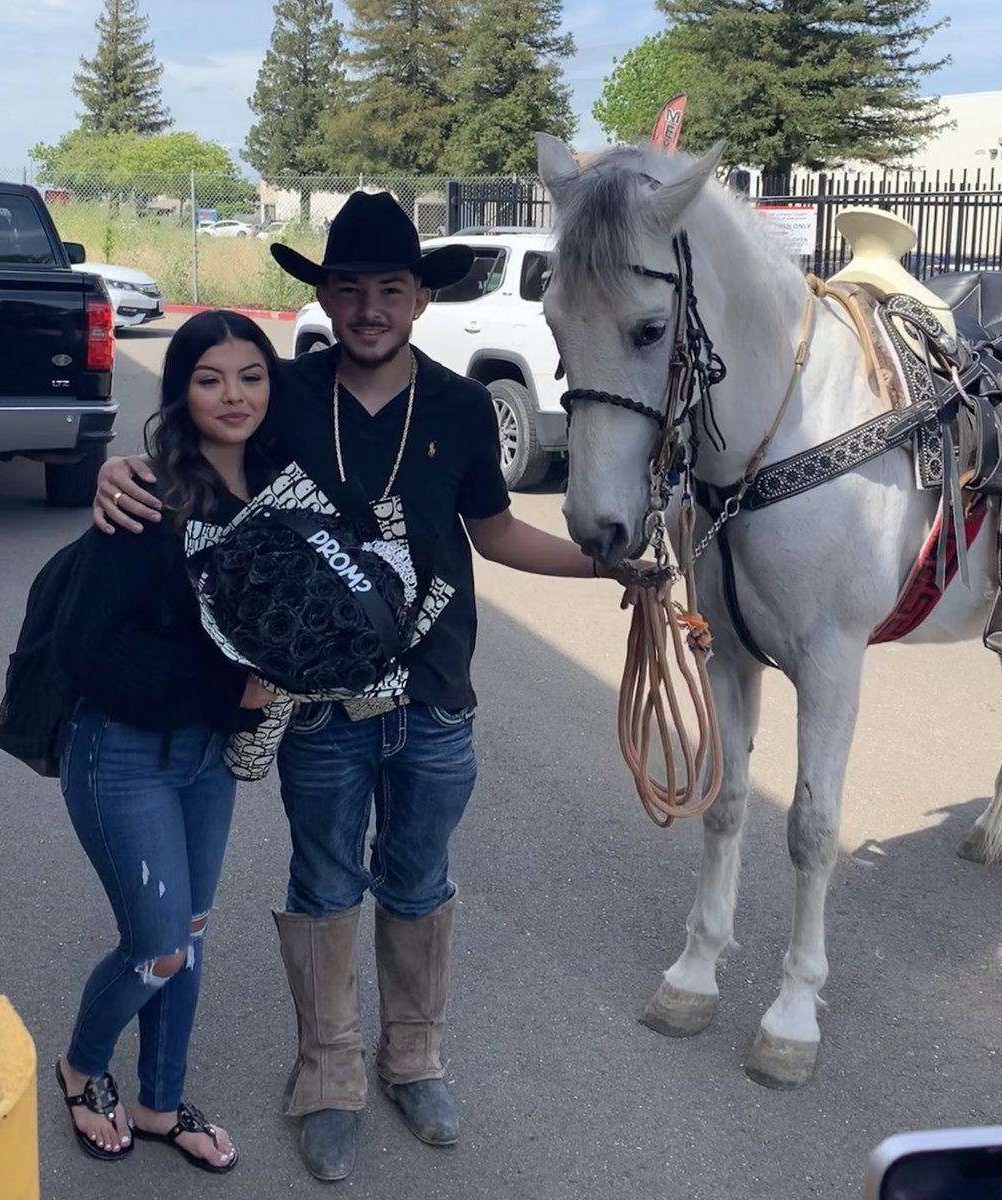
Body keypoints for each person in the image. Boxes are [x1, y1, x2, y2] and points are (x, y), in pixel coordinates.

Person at [92, 191, 643, 1183]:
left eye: (390, 288)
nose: (370, 308)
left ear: (420, 300)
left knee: (419, 880)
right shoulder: (287, 396)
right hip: (318, 705)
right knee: (324, 881)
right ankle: (327, 1074)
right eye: (349, 289)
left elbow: (494, 534)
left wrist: (610, 567)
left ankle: (412, 1058)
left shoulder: (463, 407)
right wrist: (123, 470)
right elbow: (200, 452)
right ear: (329, 300)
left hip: (435, 695)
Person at [54, 310, 280, 1173]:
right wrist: (234, 688)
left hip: (204, 761)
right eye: (210, 378)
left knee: (190, 931)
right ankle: (80, 1066)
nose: (234, 395)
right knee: (155, 949)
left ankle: (157, 1101)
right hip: (122, 755)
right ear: (180, 391)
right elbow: (91, 650)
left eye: (251, 376)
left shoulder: (273, 491)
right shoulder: (146, 493)